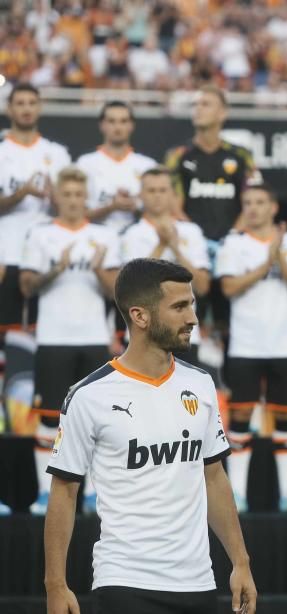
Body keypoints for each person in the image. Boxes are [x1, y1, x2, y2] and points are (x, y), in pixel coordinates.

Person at [44, 258, 256, 614]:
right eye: (179, 307)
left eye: (191, 304)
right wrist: (55, 585)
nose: (192, 318)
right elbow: (64, 491)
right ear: (140, 317)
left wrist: (240, 561)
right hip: (125, 583)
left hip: (198, 582)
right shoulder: (89, 395)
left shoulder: (201, 384)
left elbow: (214, 477)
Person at [20, 166, 121, 516]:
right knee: (50, 418)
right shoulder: (41, 234)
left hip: (94, 338)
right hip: (53, 338)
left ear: (86, 198)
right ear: (57, 197)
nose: (74, 201)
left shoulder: (104, 236)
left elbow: (117, 294)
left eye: (80, 195)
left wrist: (96, 268)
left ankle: (93, 495)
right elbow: (26, 286)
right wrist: (56, 269)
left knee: (95, 419)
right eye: (68, 194)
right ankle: (45, 497)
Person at [215, 183, 287, 514]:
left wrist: (279, 255)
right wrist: (265, 264)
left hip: (283, 344)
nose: (254, 208)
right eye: (248, 203)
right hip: (245, 345)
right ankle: (236, 496)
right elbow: (228, 287)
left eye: (260, 202)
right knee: (240, 418)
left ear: (273, 206)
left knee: (286, 419)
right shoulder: (233, 244)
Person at [164, 84, 257, 340]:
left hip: (231, 252)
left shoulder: (241, 156)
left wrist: (230, 239)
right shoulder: (177, 156)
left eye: (206, 104)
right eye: (196, 104)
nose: (198, 109)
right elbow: (174, 203)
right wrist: (198, 242)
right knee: (187, 325)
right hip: (194, 254)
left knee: (232, 329)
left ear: (222, 113)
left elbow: (252, 202)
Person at [0, 83, 72, 337]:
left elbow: (72, 207)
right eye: (20, 103)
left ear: (39, 107)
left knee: (43, 329)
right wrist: (22, 193)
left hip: (47, 253)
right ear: (9, 109)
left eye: (31, 103)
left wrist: (55, 198)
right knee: (6, 329)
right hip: (7, 251)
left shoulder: (57, 153)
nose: (26, 109)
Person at [121, 166, 210, 367]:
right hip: (143, 336)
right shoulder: (132, 233)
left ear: (172, 194)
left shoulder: (192, 231)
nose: (157, 196)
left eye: (162, 190)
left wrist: (176, 248)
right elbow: (132, 289)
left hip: (185, 335)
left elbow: (203, 286)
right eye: (151, 191)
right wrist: (161, 245)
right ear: (141, 195)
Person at [75, 101, 157, 234]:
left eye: (123, 121)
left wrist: (135, 207)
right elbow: (75, 214)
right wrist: (111, 207)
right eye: (111, 121)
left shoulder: (147, 165)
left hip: (138, 240)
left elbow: (160, 214)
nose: (118, 127)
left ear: (132, 125)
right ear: (102, 125)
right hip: (96, 238)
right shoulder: (85, 164)